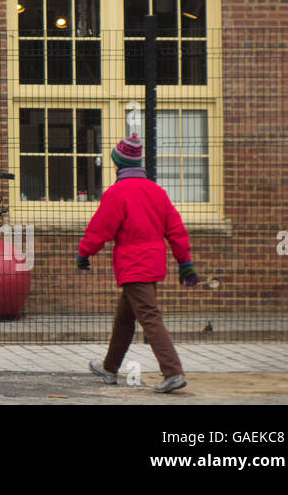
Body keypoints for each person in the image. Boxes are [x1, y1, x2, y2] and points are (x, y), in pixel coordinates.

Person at [76, 134, 199, 393]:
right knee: (124, 319)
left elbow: (101, 229)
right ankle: (109, 368)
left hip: (133, 267)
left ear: (118, 164)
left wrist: (85, 252)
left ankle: (173, 372)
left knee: (150, 318)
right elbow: (176, 229)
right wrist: (184, 262)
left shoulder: (117, 193)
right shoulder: (157, 192)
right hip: (153, 265)